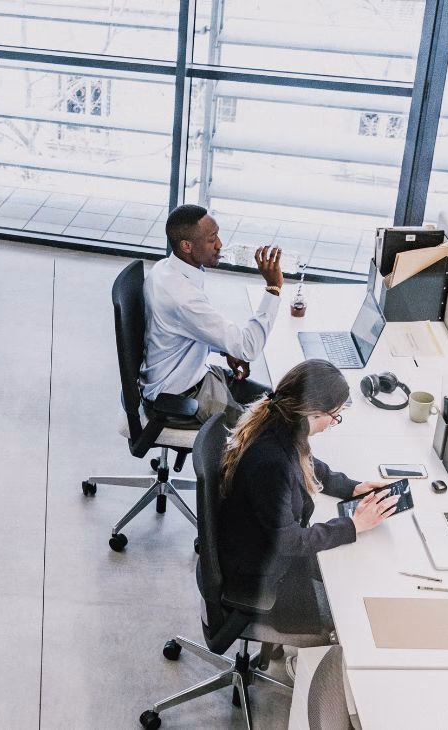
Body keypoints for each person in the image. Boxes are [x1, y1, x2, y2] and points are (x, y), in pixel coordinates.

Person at [217, 359, 400, 635]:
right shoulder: (270, 461)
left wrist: (350, 487)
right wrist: (353, 526)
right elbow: (288, 541)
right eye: (335, 416)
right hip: (259, 574)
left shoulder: (279, 422)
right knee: (348, 621)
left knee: (354, 568)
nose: (333, 423)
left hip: (252, 544)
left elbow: (305, 460)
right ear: (314, 412)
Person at [140, 204, 284, 428]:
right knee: (269, 429)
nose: (220, 244)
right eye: (211, 238)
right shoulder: (183, 297)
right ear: (186, 246)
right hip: (184, 394)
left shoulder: (164, 269)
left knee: (282, 405)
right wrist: (273, 287)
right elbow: (248, 347)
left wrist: (226, 348)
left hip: (191, 374)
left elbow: (186, 328)